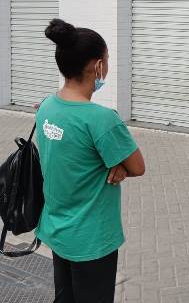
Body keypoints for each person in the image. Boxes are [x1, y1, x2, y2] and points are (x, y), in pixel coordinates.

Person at [36, 19, 145, 302]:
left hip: (58, 230)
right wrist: (117, 164)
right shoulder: (100, 118)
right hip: (92, 237)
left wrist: (112, 163)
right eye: (107, 60)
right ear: (97, 66)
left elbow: (71, 154)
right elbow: (137, 166)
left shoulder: (47, 106)